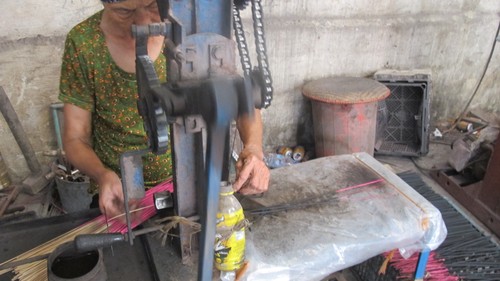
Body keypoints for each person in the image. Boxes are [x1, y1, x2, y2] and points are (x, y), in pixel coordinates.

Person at [59, 0, 270, 219]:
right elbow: (75, 139)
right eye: (124, 11)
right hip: (123, 197)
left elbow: (237, 95)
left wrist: (254, 148)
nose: (142, 21)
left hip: (196, 186)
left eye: (153, 6)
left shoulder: (194, 30)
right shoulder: (84, 43)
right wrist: (103, 176)